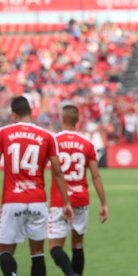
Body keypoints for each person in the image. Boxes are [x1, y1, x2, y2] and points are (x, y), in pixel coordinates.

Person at [0, 96, 74, 276]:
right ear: (31, 112)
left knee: (4, 251)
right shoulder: (47, 136)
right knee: (38, 253)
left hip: (12, 200)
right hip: (37, 201)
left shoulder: (3, 133)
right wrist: (67, 203)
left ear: (13, 114)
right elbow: (57, 172)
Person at [48, 105, 109, 276]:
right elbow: (96, 176)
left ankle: (71, 274)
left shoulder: (53, 140)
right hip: (81, 199)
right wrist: (104, 203)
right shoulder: (87, 144)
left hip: (60, 199)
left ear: (62, 119)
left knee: (54, 246)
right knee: (78, 244)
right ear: (78, 120)